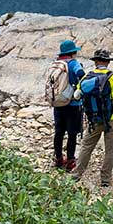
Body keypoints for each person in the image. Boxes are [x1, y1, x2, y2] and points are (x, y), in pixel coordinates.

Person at [76, 48, 113, 190]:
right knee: (110, 150)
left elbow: (77, 95)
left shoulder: (87, 77)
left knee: (86, 146)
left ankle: (77, 174)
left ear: (96, 62)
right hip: (112, 119)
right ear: (107, 62)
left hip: (94, 119)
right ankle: (105, 179)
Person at [45, 39, 85, 171]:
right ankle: (70, 160)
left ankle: (58, 158)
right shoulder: (73, 64)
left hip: (58, 103)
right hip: (72, 104)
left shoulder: (56, 64)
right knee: (72, 133)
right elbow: (81, 74)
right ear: (73, 52)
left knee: (59, 132)